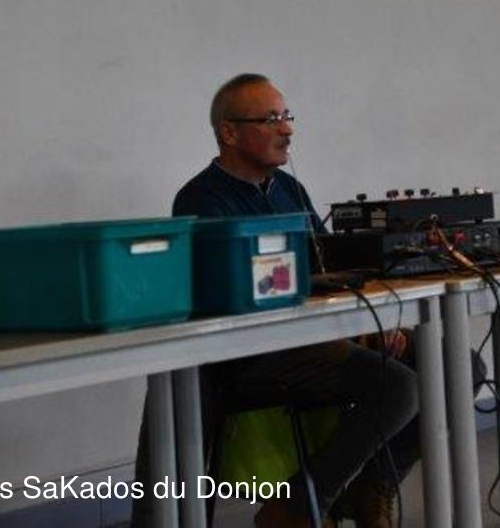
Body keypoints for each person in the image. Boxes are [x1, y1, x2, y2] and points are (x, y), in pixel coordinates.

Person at [133, 74, 418, 528]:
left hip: (315, 336)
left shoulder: (289, 189)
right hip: (254, 354)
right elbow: (234, 298)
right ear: (229, 132)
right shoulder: (201, 200)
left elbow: (325, 271)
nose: (287, 129)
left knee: (456, 363)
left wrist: (374, 321)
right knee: (397, 386)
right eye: (271, 119)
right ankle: (298, 506)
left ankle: (370, 485)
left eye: (286, 116)